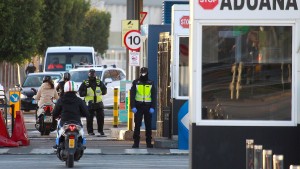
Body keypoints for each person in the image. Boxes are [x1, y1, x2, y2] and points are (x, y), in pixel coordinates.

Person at [52, 81, 89, 148]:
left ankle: (57, 144)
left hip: (64, 122)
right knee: (81, 132)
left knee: (58, 129)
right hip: (77, 122)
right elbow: (86, 113)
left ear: (65, 89)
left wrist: (56, 116)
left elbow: (55, 113)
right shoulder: (79, 100)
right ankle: (81, 143)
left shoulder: (61, 100)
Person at [130, 67, 156, 148]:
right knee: (137, 125)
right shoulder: (136, 82)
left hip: (148, 107)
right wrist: (133, 106)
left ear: (147, 73)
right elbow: (132, 95)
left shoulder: (151, 83)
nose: (143, 74)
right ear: (140, 73)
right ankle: (136, 142)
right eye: (142, 72)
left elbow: (153, 96)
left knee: (148, 126)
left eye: (144, 72)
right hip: (138, 107)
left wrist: (153, 107)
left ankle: (148, 142)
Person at [78, 69, 107, 136]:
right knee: (89, 119)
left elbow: (104, 90)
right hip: (89, 104)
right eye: (91, 74)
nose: (92, 75)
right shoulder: (85, 83)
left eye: (93, 74)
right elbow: (80, 92)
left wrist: (101, 92)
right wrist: (85, 93)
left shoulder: (99, 82)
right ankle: (90, 131)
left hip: (98, 103)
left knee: (101, 118)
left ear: (95, 74)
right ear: (88, 74)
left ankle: (101, 131)